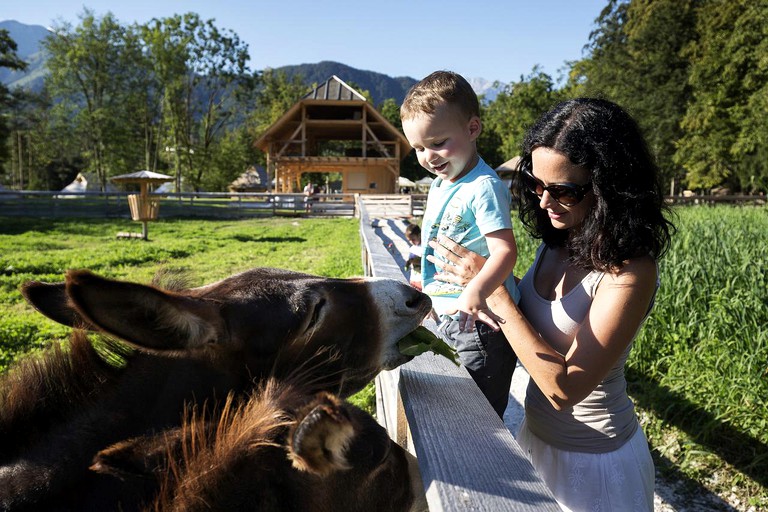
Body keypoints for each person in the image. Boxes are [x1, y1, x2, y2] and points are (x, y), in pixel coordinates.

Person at [428, 97, 674, 511]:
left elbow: (565, 390)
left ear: (609, 186)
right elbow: (535, 312)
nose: (543, 202)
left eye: (563, 190)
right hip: (536, 442)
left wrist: (497, 293)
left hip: (598, 466)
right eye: (536, 184)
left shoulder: (631, 272)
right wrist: (472, 282)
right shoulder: (558, 240)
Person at [400, 70, 520, 418]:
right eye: (419, 148)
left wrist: (476, 291)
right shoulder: (440, 184)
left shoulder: (483, 186)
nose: (428, 157)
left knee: (476, 417)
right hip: (449, 315)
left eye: (438, 143)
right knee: (451, 408)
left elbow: (505, 251)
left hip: (479, 323)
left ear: (472, 129)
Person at [404, 223, 423, 290]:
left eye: (413, 239)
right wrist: (407, 264)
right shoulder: (412, 248)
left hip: (421, 278)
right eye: (409, 240)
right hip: (414, 277)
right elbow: (410, 259)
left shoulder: (423, 248)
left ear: (419, 235)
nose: (412, 242)